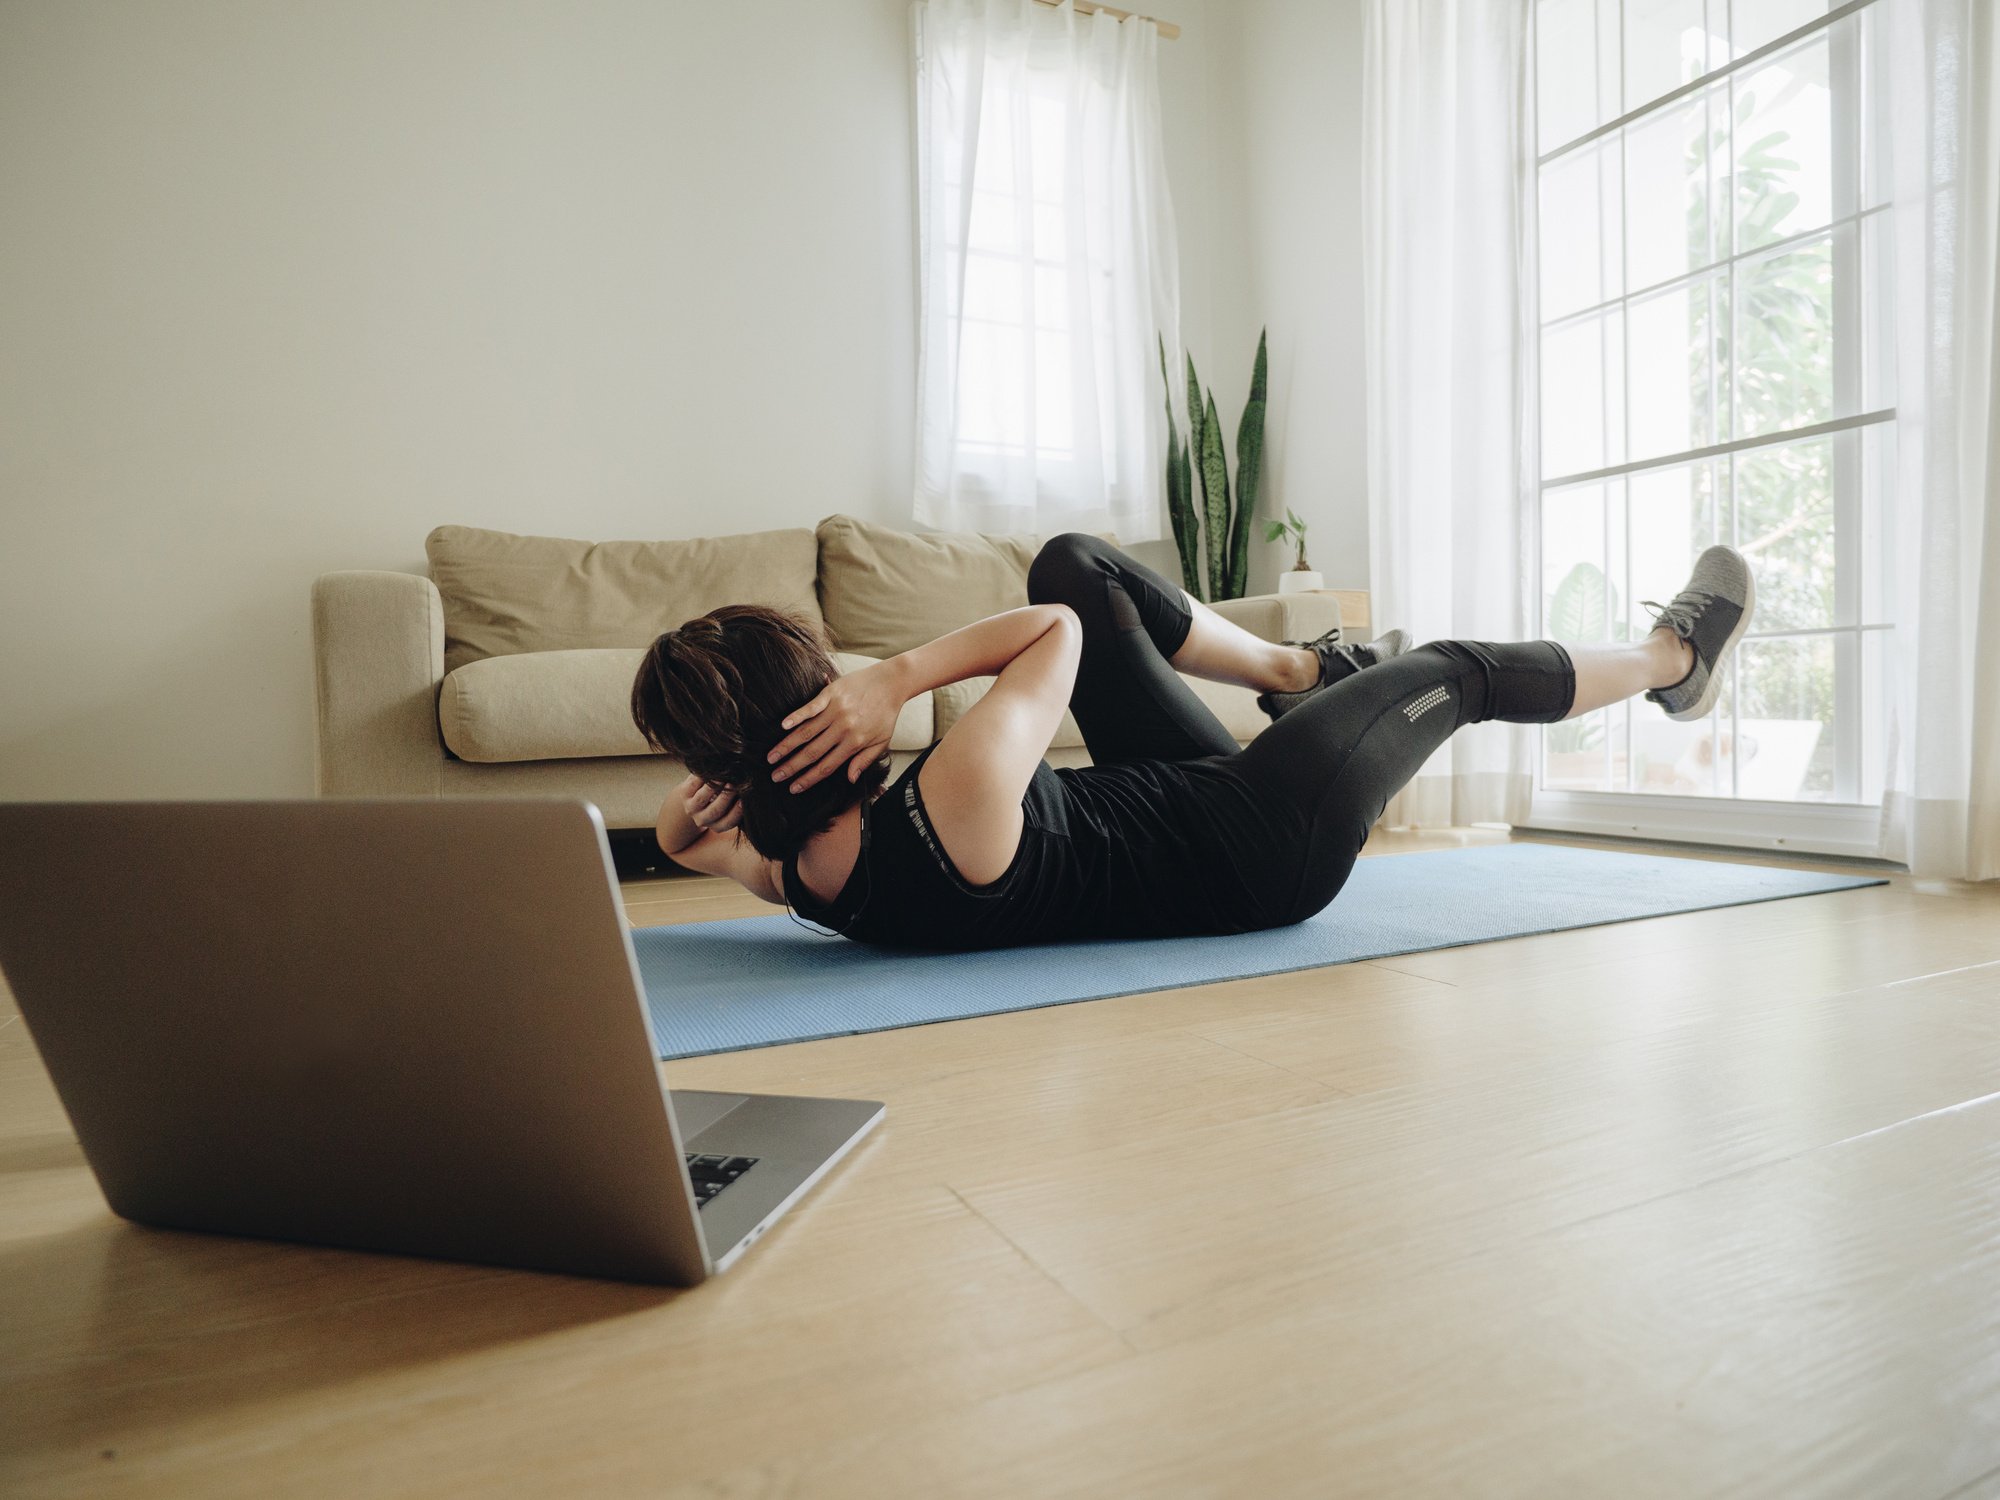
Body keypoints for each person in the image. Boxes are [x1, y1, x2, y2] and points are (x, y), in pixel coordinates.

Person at [629, 535, 1754, 951]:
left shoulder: (797, 875)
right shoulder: (952, 793)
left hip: (1172, 798)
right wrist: (901, 675)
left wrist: (729, 791)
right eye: (829, 683)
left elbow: (681, 837)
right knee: (1455, 671)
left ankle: (1298, 673)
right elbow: (1051, 639)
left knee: (1075, 556)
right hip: (1262, 844)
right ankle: (1671, 663)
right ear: (816, 715)